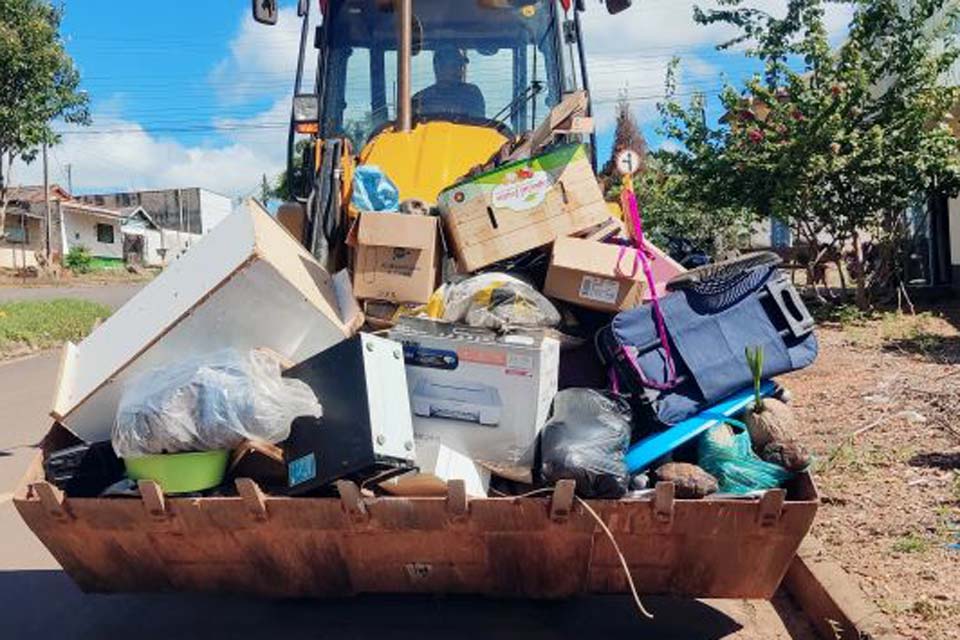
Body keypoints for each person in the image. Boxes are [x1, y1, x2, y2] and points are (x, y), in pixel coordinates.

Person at [413, 45, 486, 119]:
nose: (460, 70)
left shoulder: (471, 93)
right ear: (438, 67)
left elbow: (477, 119)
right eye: (454, 65)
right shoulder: (420, 98)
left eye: (461, 65)